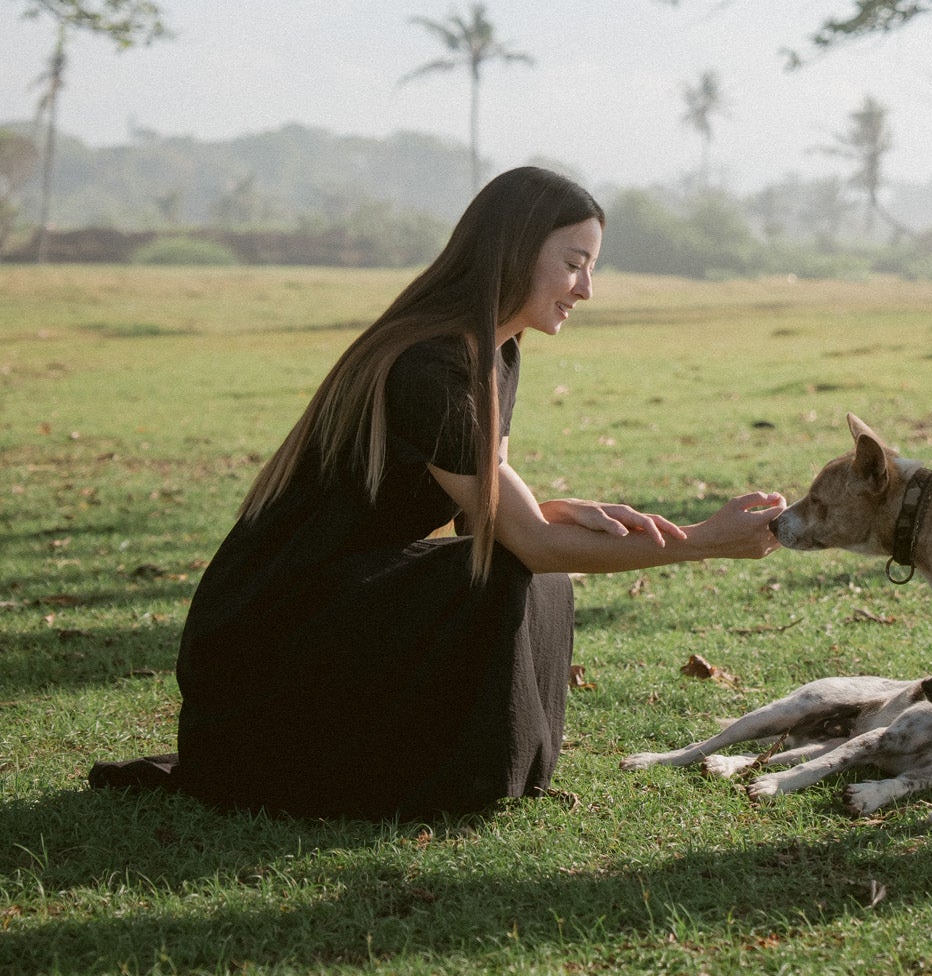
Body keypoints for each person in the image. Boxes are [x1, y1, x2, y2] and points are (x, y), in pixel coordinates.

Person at [91, 166, 784, 819]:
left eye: (591, 268)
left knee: (532, 574)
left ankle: (498, 770)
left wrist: (551, 513)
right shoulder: (430, 364)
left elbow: (484, 518)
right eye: (574, 264)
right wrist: (702, 543)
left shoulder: (497, 351)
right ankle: (453, 773)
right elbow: (526, 544)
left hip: (343, 592)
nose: (586, 290)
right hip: (264, 633)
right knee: (512, 570)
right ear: (514, 253)